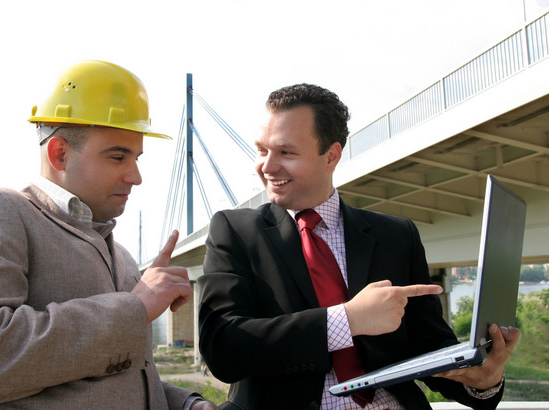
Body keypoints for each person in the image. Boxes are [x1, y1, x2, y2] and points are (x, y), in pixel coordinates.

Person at [197, 83, 519, 409]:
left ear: (331, 155)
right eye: (262, 150)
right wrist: (347, 320)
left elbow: (429, 348)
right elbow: (223, 348)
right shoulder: (234, 231)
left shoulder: (396, 235)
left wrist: (484, 380)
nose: (267, 166)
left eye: (286, 152)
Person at [0, 60, 217, 410]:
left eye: (137, 158)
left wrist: (185, 403)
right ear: (59, 153)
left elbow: (114, 374)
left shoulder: (124, 259)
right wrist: (134, 307)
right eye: (117, 157)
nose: (136, 176)